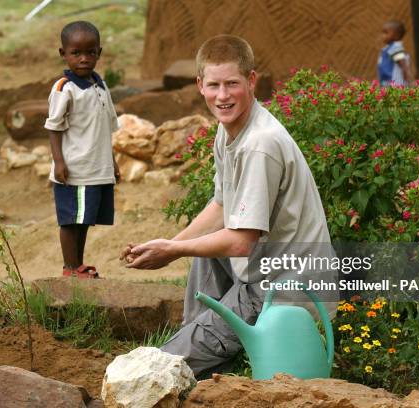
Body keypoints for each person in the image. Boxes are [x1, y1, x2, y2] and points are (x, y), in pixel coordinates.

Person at [120, 35, 333, 378]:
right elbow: (222, 205)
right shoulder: (229, 129)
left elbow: (240, 241)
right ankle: (203, 337)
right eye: (214, 85)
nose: (223, 96)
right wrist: (171, 244)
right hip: (260, 269)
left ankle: (197, 352)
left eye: (232, 84)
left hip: (284, 287)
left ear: (251, 81)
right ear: (200, 85)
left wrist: (172, 251)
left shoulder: (259, 144)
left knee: (158, 369)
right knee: (201, 254)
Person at [45, 21, 120, 279]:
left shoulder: (101, 86)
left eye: (90, 52)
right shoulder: (64, 88)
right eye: (76, 53)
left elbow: (104, 129)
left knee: (84, 219)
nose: (84, 59)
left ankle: (78, 265)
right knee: (70, 220)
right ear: (63, 53)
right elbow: (53, 128)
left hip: (97, 168)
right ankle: (69, 268)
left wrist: (112, 162)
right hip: (74, 169)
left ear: (99, 52)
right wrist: (59, 162)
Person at [377, 20, 412, 86]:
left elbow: (402, 63)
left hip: (393, 82)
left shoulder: (395, 48)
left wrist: (406, 77)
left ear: (396, 35)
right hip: (387, 81)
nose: (382, 36)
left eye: (386, 33)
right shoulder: (389, 48)